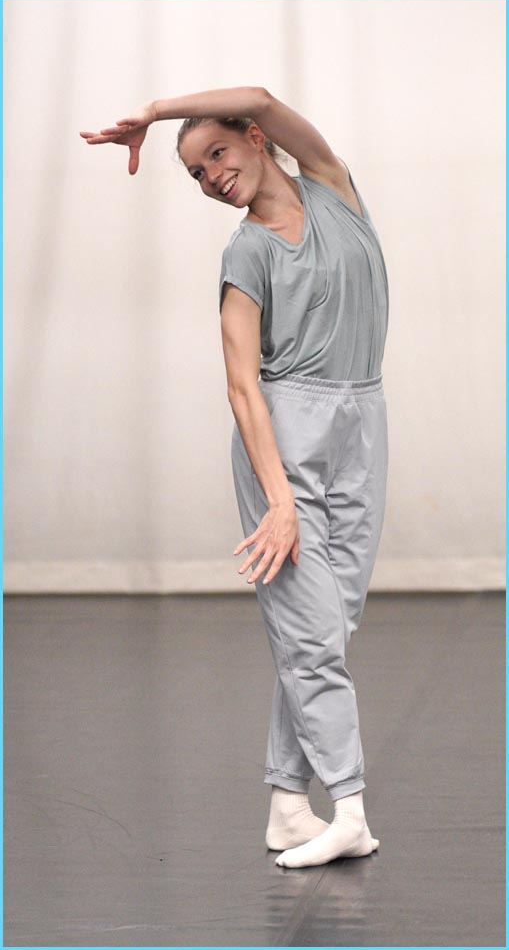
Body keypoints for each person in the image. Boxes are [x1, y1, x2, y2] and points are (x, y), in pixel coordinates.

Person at [80, 86, 389, 869]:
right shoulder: (245, 251)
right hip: (281, 438)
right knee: (312, 636)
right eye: (195, 173)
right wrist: (278, 499)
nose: (210, 176)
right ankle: (348, 807)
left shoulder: (333, 188)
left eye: (214, 154)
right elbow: (242, 385)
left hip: (361, 422)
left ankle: (287, 805)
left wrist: (154, 113)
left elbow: (256, 93)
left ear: (255, 138)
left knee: (326, 630)